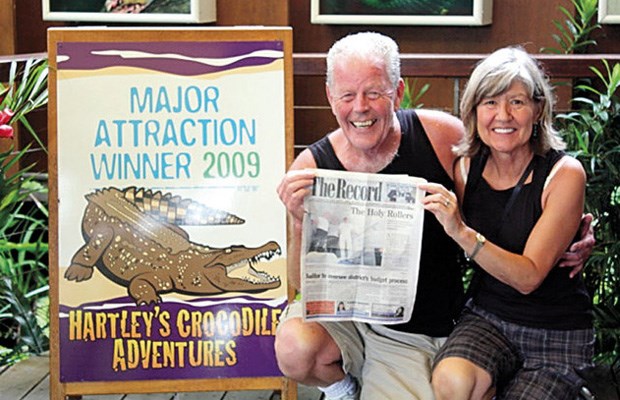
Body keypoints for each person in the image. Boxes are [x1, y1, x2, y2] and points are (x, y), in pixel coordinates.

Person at [275, 32, 594, 400]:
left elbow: (503, 194)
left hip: (415, 331)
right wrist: (299, 223)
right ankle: (343, 389)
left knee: (453, 385)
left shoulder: (442, 137)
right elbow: (299, 283)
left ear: (397, 93)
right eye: (347, 95)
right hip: (346, 321)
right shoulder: (311, 167)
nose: (360, 107)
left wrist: (575, 230)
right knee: (296, 345)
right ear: (331, 98)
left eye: (374, 93)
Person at [422, 46, 594, 399]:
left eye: (516, 102)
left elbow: (529, 277)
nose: (503, 115)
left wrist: (463, 233)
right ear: (473, 111)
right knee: (452, 381)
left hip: (556, 330)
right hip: (489, 317)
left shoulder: (564, 174)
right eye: (490, 102)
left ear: (538, 109)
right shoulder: (466, 169)